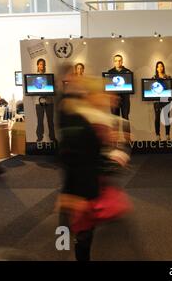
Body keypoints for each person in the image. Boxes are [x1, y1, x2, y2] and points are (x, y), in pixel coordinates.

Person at [57, 77, 132, 261]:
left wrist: (111, 157)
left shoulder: (93, 119)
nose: (112, 97)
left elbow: (89, 155)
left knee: (81, 233)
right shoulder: (83, 122)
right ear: (93, 96)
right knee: (77, 235)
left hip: (89, 186)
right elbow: (72, 158)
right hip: (82, 189)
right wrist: (73, 196)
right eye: (106, 94)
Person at [108, 54, 132, 142]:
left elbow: (130, 86)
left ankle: (127, 141)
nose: (118, 62)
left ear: (122, 61)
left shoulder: (128, 72)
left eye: (119, 60)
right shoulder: (109, 72)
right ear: (114, 62)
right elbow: (108, 87)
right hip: (114, 99)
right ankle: (115, 141)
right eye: (116, 60)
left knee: (125, 119)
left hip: (125, 99)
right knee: (115, 120)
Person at [35, 58, 56, 142]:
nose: (42, 66)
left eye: (43, 64)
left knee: (50, 121)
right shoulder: (34, 77)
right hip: (38, 102)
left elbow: (53, 88)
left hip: (49, 101)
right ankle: (39, 137)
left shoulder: (49, 76)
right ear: (37, 65)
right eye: (40, 64)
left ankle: (52, 138)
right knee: (40, 121)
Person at [152, 61, 172, 141]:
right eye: (158, 66)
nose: (160, 68)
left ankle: (167, 135)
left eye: (161, 66)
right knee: (157, 117)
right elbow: (152, 88)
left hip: (166, 100)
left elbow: (170, 88)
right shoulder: (153, 78)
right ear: (156, 68)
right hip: (157, 100)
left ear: (163, 67)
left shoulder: (168, 77)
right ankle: (157, 135)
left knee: (167, 117)